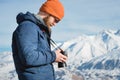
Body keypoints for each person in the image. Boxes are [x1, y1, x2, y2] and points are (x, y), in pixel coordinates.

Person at [12, 0, 67, 80]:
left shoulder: (38, 29)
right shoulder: (27, 27)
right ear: (48, 12)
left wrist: (55, 57)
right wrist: (53, 56)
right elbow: (29, 57)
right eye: (56, 20)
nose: (55, 24)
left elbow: (36, 58)